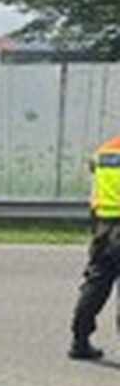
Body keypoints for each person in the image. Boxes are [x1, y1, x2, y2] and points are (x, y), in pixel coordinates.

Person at [70, 135, 120, 360]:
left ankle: (79, 341)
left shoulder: (105, 151)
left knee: (95, 286)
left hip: (103, 228)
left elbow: (93, 170)